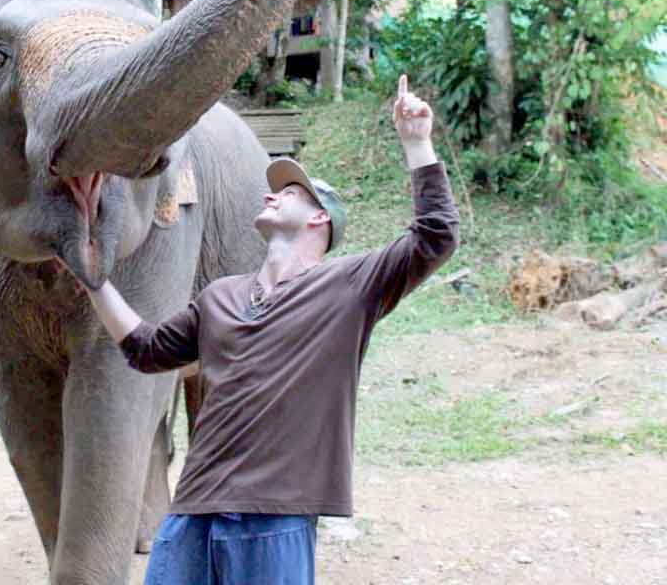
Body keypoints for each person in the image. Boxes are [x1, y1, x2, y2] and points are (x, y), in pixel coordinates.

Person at [85, 75, 459, 585]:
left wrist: (416, 142)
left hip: (275, 513)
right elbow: (145, 350)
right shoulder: (220, 296)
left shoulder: (347, 286)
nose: (272, 194)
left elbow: (435, 236)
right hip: (192, 510)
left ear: (320, 219)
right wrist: (93, 278)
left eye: (291, 192)